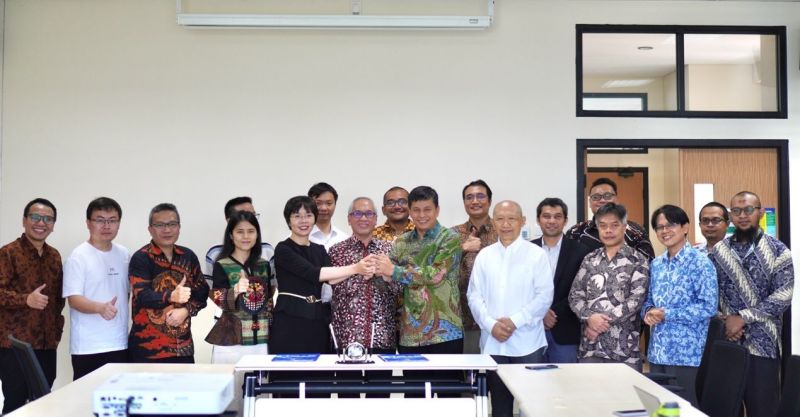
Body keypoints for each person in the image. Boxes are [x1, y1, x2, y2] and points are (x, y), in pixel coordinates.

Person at [270, 196, 374, 396]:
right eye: (297, 216)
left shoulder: (319, 249)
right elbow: (314, 274)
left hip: (317, 321)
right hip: (290, 321)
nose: (303, 221)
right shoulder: (283, 249)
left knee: (319, 383)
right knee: (289, 383)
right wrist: (356, 268)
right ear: (288, 220)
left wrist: (364, 270)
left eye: (308, 215)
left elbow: (332, 279)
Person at [374, 186, 463, 398]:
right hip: (410, 334)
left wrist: (393, 271)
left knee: (448, 397)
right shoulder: (402, 242)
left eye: (427, 209)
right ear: (410, 211)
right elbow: (386, 279)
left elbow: (435, 274)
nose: (422, 215)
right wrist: (379, 273)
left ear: (437, 210)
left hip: (445, 332)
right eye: (416, 210)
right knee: (414, 397)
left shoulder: (449, 238)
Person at [710, 191, 793, 417]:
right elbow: (708, 295)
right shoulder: (718, 252)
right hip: (727, 343)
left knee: (763, 410)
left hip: (763, 345)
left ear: (760, 212)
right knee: (726, 409)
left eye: (748, 210)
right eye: (736, 211)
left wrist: (742, 318)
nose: (742, 215)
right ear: (731, 216)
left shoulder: (778, 251)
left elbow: (783, 295)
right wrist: (726, 321)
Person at [467, 200, 553, 417]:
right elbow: (474, 296)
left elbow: (544, 296)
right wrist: (491, 325)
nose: (506, 224)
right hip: (493, 344)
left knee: (531, 408)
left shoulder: (536, 254)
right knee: (500, 408)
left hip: (528, 344)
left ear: (522, 221)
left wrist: (515, 321)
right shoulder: (484, 256)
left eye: (511, 219)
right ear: (493, 222)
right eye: (500, 219)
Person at [643, 204, 717, 406]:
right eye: (659, 227)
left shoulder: (700, 263)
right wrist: (648, 312)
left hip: (686, 354)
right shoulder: (656, 265)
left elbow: (708, 306)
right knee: (658, 407)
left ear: (685, 227)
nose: (664, 231)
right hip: (658, 351)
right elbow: (649, 301)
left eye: (670, 225)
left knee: (684, 407)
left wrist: (667, 314)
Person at [330, 197, 399, 398]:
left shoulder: (390, 250)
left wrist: (385, 275)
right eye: (357, 213)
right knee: (347, 397)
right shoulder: (336, 251)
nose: (363, 218)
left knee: (380, 397)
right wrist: (358, 273)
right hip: (347, 335)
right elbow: (331, 288)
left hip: (382, 334)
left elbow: (401, 288)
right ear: (349, 219)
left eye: (369, 214)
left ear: (376, 219)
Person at [0, 198, 64, 413]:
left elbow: (58, 301)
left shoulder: (54, 256)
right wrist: (26, 299)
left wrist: (56, 335)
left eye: (48, 219)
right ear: (24, 220)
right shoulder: (8, 253)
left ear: (53, 225)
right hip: (15, 346)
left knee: (43, 402)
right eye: (35, 217)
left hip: (47, 345)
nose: (41, 223)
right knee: (16, 403)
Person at [568, 203, 649, 371]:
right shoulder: (590, 259)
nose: (608, 230)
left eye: (614, 225)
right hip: (590, 347)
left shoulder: (638, 260)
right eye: (603, 226)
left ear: (624, 227)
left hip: (623, 350)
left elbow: (636, 300)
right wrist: (590, 318)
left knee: (626, 390)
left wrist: (599, 324)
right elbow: (575, 296)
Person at [128, 203, 209, 363]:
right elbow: (143, 296)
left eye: (172, 224)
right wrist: (172, 296)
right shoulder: (141, 258)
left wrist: (186, 310)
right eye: (160, 225)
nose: (167, 230)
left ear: (179, 227)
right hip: (147, 350)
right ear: (150, 229)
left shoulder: (188, 256)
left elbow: (202, 292)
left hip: (182, 349)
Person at [63, 197, 130, 380]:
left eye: (112, 220)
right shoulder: (78, 256)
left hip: (120, 342)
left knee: (118, 395)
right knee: (87, 395)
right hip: (88, 346)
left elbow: (126, 293)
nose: (106, 226)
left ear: (119, 224)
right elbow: (73, 299)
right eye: (100, 220)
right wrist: (100, 307)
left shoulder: (124, 254)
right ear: (88, 223)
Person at [205, 211, 272, 364]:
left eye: (251, 231)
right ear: (231, 235)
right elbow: (218, 299)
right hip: (231, 337)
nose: (246, 236)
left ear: (257, 235)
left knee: (259, 378)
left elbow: (268, 302)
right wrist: (235, 291)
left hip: (260, 336)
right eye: (240, 232)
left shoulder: (264, 265)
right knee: (229, 377)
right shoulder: (222, 264)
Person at [531, 197, 591, 363]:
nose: (552, 221)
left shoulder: (581, 251)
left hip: (565, 330)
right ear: (538, 220)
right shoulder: (527, 250)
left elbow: (582, 290)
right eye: (546, 216)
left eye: (557, 216)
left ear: (565, 220)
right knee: (532, 377)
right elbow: (521, 288)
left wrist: (552, 313)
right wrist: (541, 312)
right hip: (531, 330)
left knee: (565, 378)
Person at [451, 179, 498, 354]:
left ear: (490, 201)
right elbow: (439, 267)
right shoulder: (452, 234)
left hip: (497, 318)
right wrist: (462, 249)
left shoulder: (503, 232)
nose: (475, 201)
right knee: (467, 367)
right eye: (469, 197)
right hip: (462, 317)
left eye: (480, 196)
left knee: (497, 368)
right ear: (464, 202)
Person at [566, 177, 655, 259]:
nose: (602, 200)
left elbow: (648, 263)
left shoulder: (636, 231)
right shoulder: (576, 231)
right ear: (589, 202)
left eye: (607, 196)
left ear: (616, 199)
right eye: (596, 197)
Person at [308, 182, 350, 304]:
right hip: (309, 305)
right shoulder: (299, 240)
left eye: (329, 203)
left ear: (335, 205)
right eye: (318, 203)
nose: (324, 208)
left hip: (339, 305)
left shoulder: (345, 239)